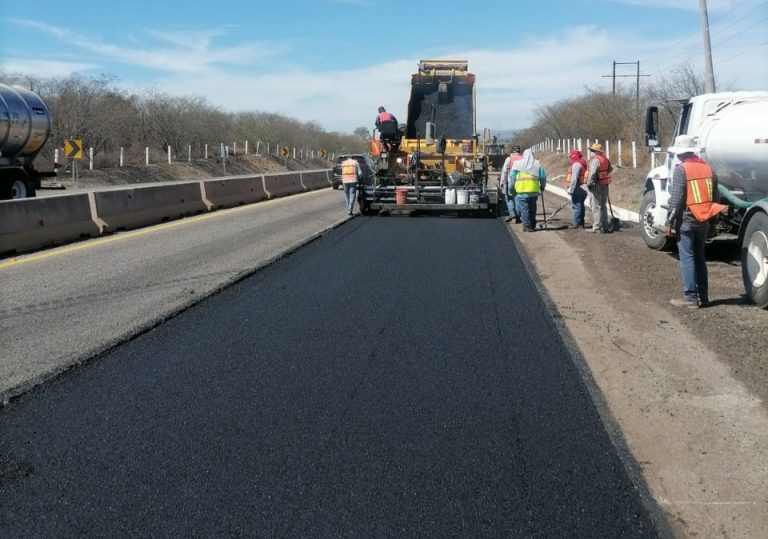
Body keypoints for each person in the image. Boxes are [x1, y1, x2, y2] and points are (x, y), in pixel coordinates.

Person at [664, 135, 727, 308]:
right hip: (704, 221)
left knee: (687, 258)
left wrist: (668, 222)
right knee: (700, 258)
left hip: (686, 221)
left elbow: (676, 200)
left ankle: (690, 298)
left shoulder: (681, 169)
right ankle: (703, 297)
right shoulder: (708, 169)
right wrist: (713, 222)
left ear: (681, 153)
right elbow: (715, 198)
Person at [508, 148, 547, 232]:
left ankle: (527, 226)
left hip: (521, 191)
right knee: (532, 208)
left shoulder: (517, 164)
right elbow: (543, 178)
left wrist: (511, 189)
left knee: (524, 209)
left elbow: (512, 178)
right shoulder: (537, 165)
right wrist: (542, 187)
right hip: (533, 191)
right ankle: (532, 224)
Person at [585, 142, 613, 233]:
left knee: (596, 206)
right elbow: (610, 169)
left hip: (596, 185)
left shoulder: (596, 160)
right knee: (603, 206)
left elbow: (592, 173)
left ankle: (597, 227)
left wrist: (589, 184)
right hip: (605, 185)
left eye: (592, 150)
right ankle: (605, 226)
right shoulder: (606, 159)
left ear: (597, 151)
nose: (591, 152)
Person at [564, 149, 588, 228]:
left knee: (577, 206)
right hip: (583, 187)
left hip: (578, 188)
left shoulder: (576, 165)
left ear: (574, 156)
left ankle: (577, 223)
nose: (569, 158)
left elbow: (574, 178)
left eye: (570, 156)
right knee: (580, 205)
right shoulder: (582, 163)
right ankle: (581, 222)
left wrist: (571, 189)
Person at [500, 145, 524, 222]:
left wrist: (502, 182)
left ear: (513, 151)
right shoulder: (523, 159)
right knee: (517, 198)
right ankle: (518, 216)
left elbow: (504, 171)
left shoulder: (509, 159)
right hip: (521, 182)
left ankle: (512, 213)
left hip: (510, 181)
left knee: (508, 198)